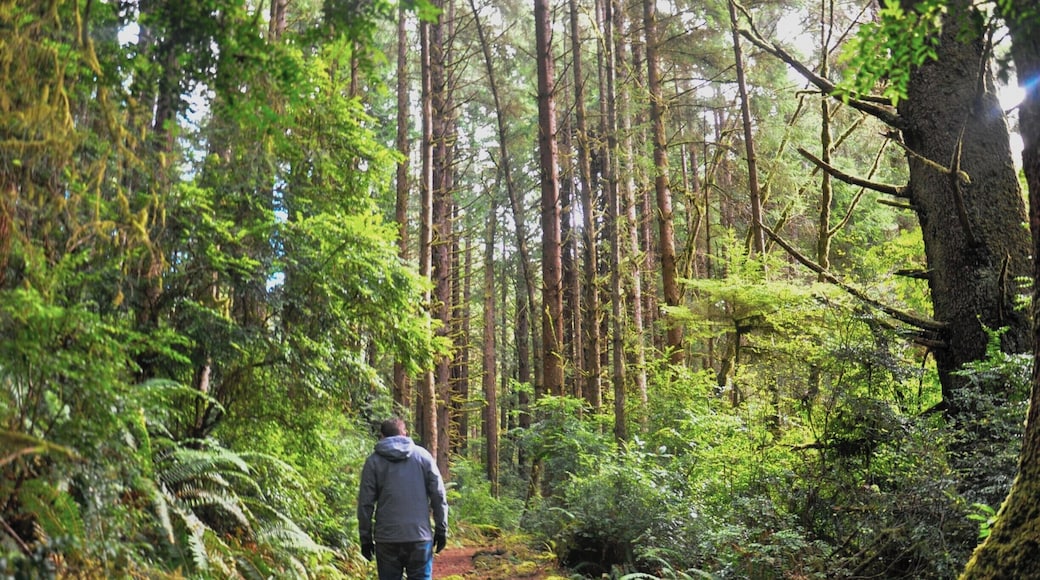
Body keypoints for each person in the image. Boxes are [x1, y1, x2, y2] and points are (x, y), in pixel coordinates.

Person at [357, 417, 448, 580]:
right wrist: (441, 530)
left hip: (387, 539)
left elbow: (365, 504)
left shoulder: (373, 462)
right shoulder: (423, 457)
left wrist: (365, 539)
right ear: (404, 433)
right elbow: (438, 495)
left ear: (382, 436)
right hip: (419, 537)